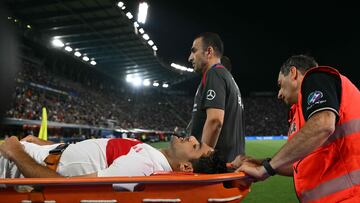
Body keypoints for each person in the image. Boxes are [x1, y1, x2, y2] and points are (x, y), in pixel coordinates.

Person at [231, 55, 360, 202]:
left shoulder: (315, 78)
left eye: (280, 85)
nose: (278, 94)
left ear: (293, 73)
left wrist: (266, 169)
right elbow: (298, 165)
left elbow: (323, 124)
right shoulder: (300, 113)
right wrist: (260, 162)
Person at [0, 135, 226, 191]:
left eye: (195, 147)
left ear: (186, 167)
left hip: (15, 163)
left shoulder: (143, 165)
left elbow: (65, 186)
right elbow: (90, 155)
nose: (193, 138)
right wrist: (49, 145)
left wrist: (16, 152)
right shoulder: (151, 155)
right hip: (36, 153)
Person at [187, 32, 245, 162]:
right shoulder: (228, 78)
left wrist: (202, 159)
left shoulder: (214, 74)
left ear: (209, 52)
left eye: (194, 51)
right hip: (229, 164)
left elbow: (215, 121)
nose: (190, 58)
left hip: (216, 169)